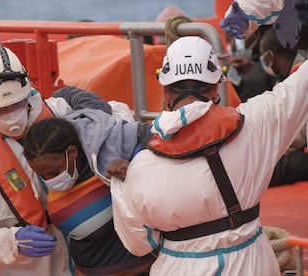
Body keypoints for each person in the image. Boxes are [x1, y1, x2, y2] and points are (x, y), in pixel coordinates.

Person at [110, 36, 308, 275]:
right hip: (252, 265)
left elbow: (139, 244)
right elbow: (299, 87)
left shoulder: (140, 168)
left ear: (165, 91)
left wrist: (118, 185)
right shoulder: (257, 123)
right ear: (216, 87)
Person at [0, 43, 112, 275]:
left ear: (28, 94)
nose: (11, 116)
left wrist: (97, 113)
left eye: (16, 105)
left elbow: (119, 115)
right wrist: (12, 242)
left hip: (87, 261)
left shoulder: (60, 112)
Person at [22, 114, 156, 276]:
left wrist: (133, 167)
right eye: (42, 175)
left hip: (139, 269)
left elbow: (151, 138)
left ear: (72, 152)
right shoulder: (52, 177)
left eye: (53, 172)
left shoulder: (106, 161)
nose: (49, 180)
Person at [258, 27, 308, 186]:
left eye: (264, 58)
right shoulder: (291, 80)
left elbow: (293, 140)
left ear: (273, 54)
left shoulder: (297, 82)